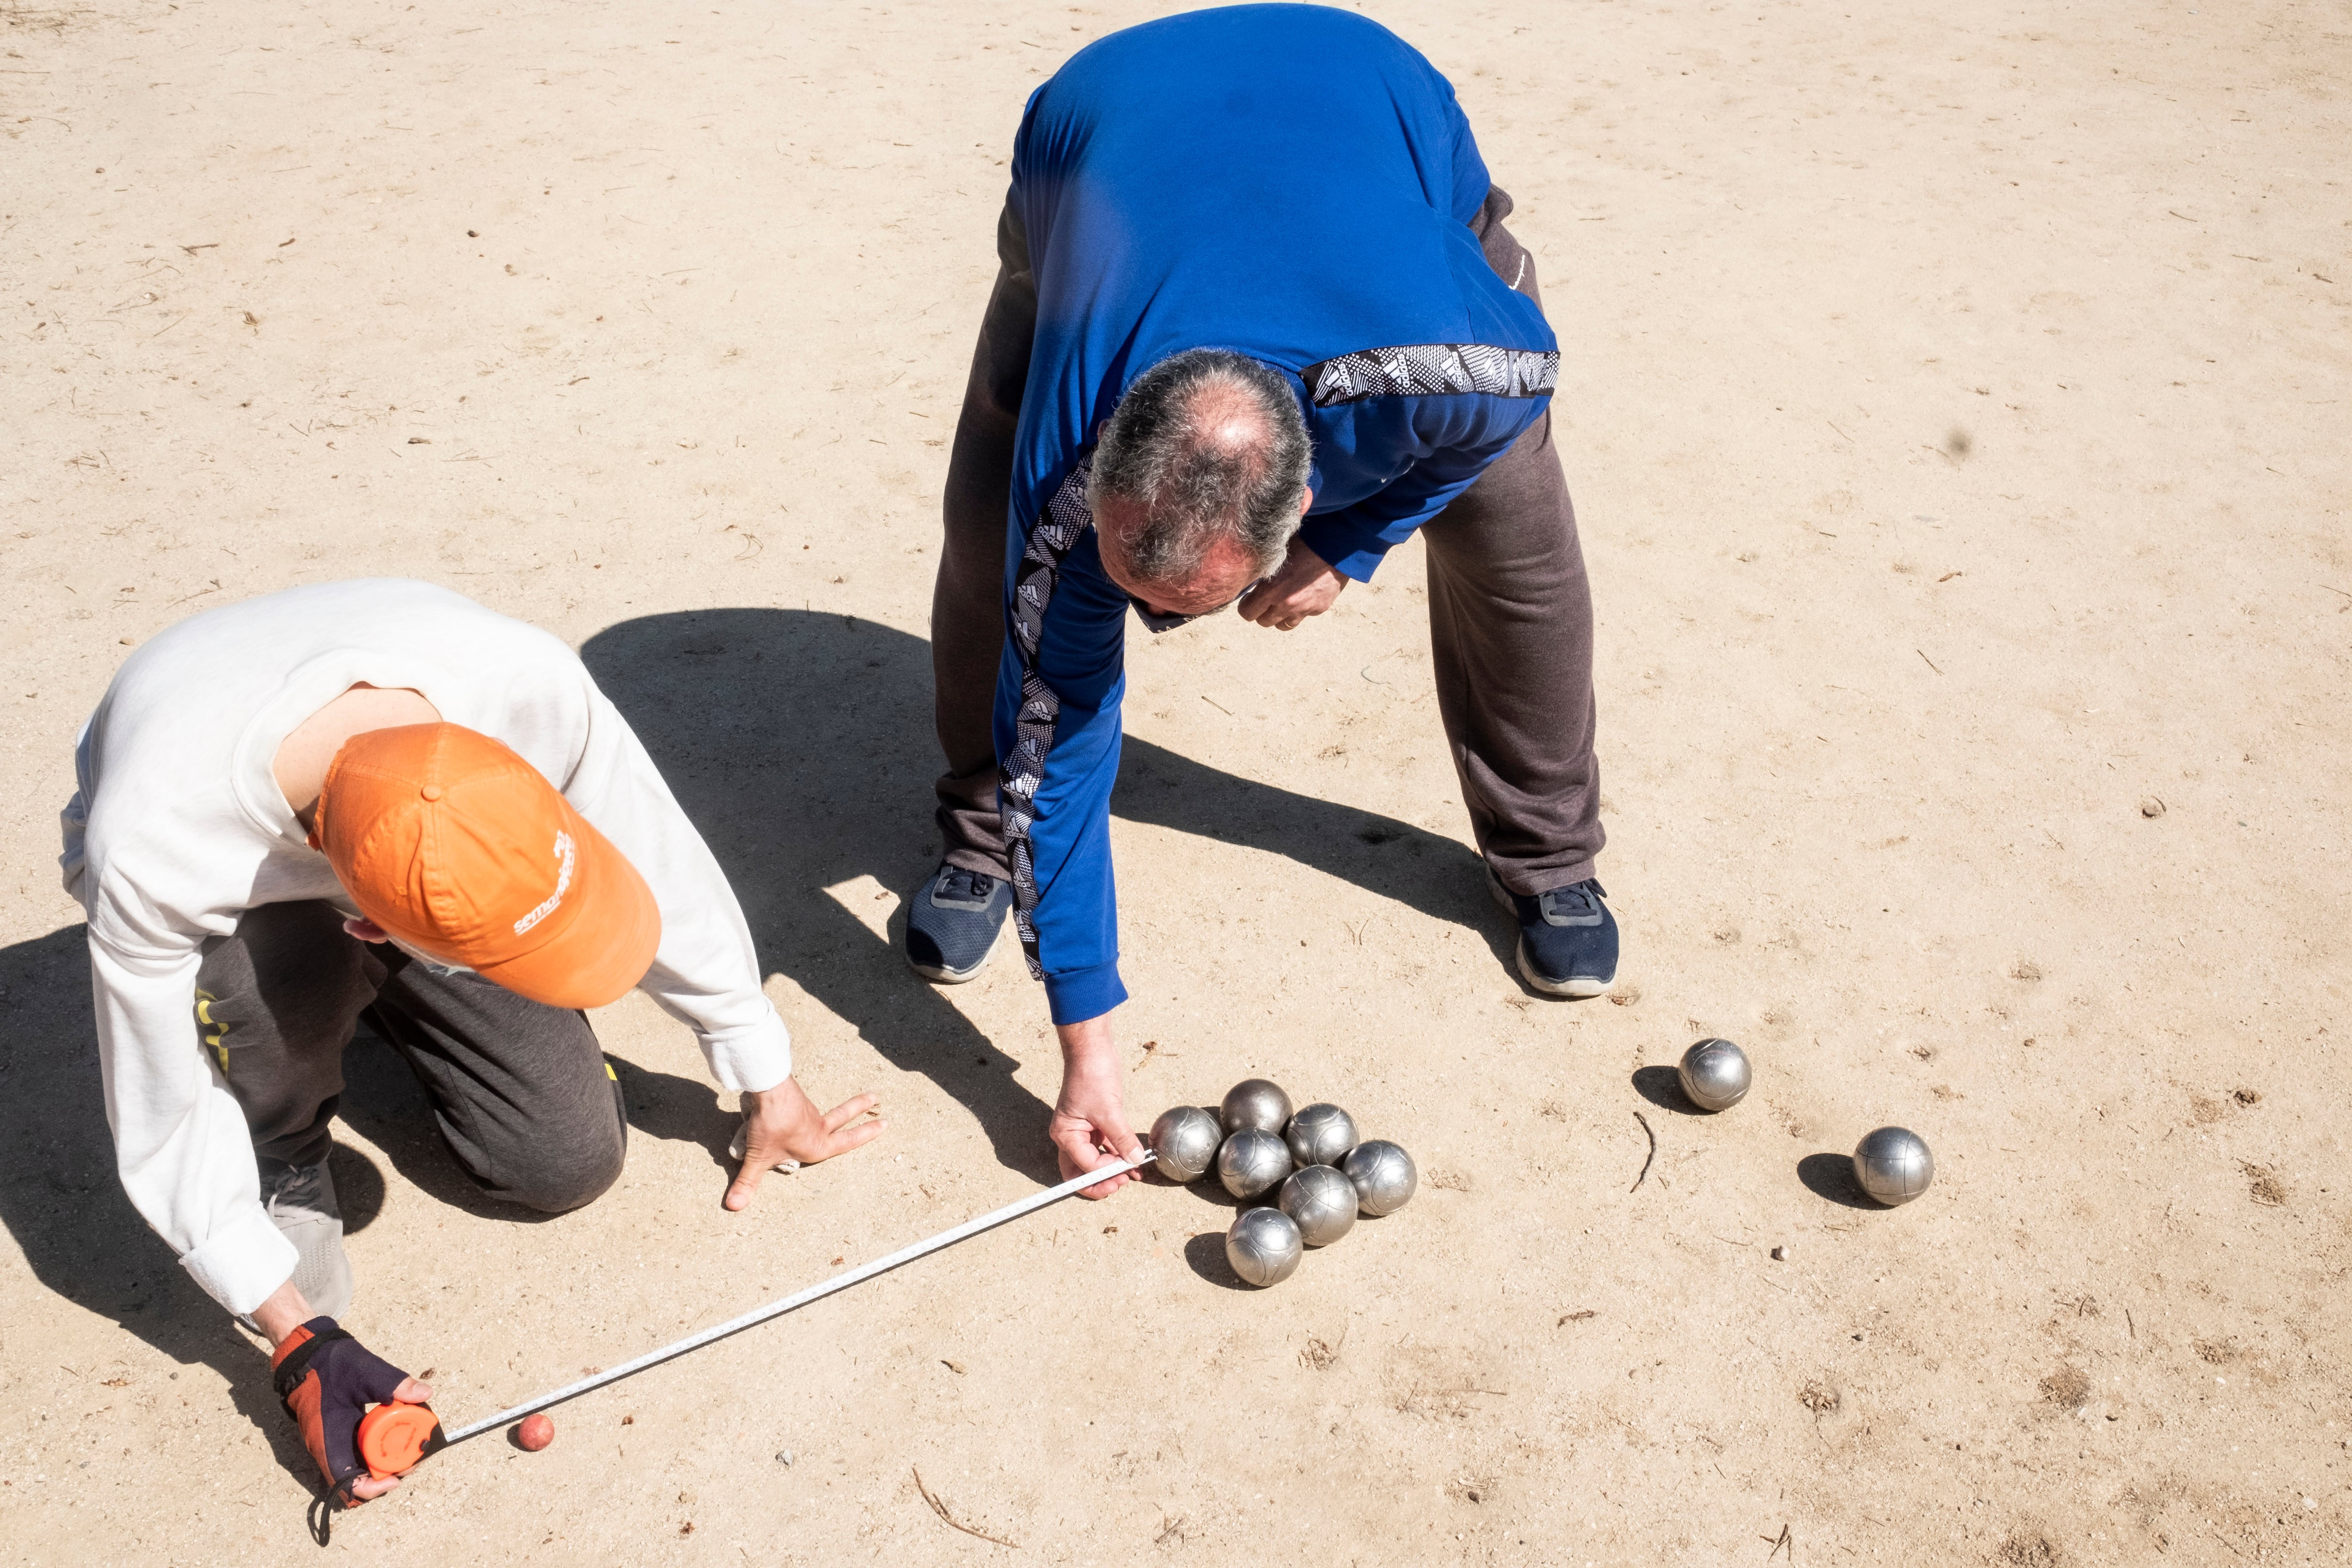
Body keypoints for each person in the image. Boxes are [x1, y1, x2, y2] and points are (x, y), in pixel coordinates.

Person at [907, 6, 1616, 1195]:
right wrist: (1087, 1041)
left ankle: (1548, 856)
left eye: (1189, 606)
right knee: (1000, 544)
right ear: (1108, 471)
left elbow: (1521, 376)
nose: (1166, 631)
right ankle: (985, 833)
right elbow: (1069, 721)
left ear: (1302, 492)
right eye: (1144, 593)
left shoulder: (1458, 364)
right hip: (1102, 123)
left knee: (1514, 537)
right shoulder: (1071, 468)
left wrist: (1358, 542)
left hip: (1367, 93)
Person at [61, 578, 884, 1506]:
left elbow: (655, 853)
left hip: (393, 860)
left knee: (565, 1161)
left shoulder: (525, 683)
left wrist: (762, 1073)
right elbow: (162, 1098)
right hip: (245, 906)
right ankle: (280, 1138)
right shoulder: (156, 846)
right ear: (375, 923)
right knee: (249, 1011)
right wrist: (298, 1337)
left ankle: (375, 1003)